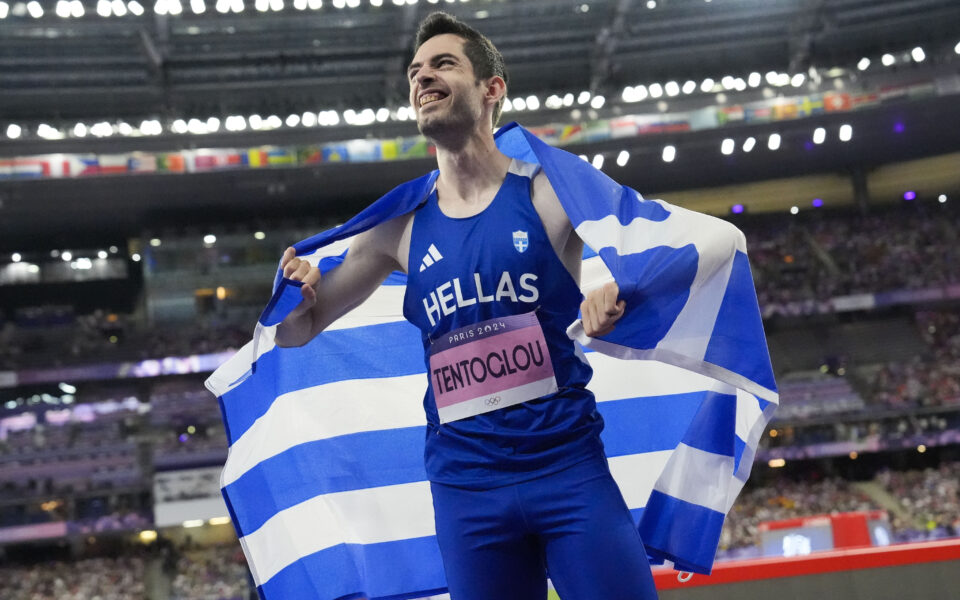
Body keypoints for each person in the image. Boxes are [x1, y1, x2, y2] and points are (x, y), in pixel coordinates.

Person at [275, 11, 658, 600]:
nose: (422, 78)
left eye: (442, 64)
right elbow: (299, 331)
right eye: (414, 71)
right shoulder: (397, 228)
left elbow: (656, 254)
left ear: (491, 89)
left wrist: (615, 296)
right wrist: (297, 294)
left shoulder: (552, 192)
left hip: (568, 469)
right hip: (467, 489)